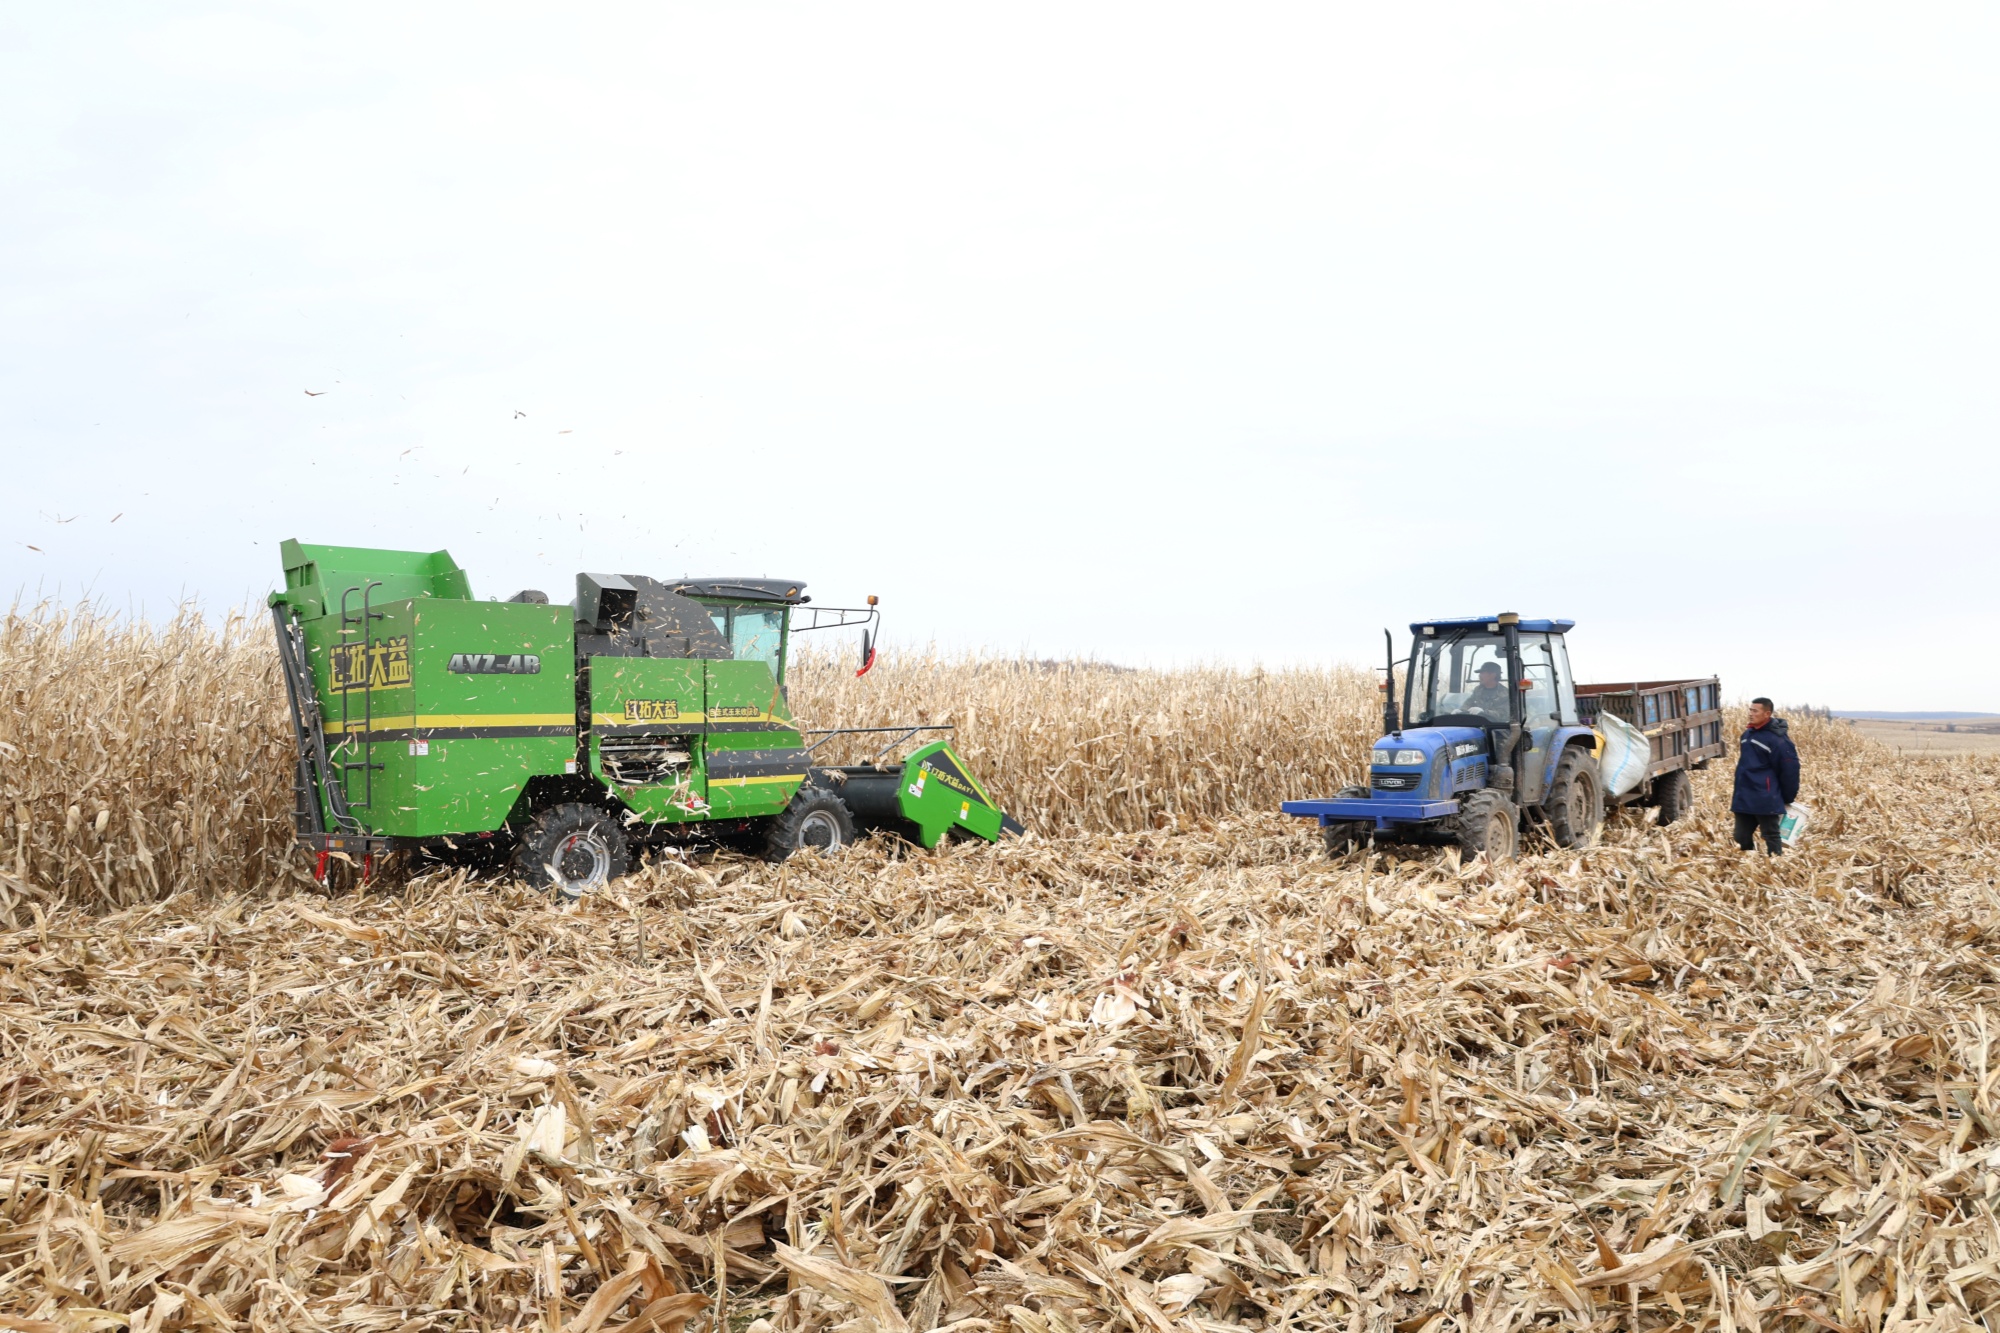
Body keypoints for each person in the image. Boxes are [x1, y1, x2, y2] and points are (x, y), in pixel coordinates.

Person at [1732, 697, 1799, 854]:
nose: (1750, 714)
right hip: (1744, 794)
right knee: (1740, 836)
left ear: (1767, 714)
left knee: (1771, 834)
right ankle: (1750, 864)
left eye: (1755, 711)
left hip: (1765, 796)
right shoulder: (1747, 735)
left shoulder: (1778, 740)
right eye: (1750, 710)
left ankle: (1775, 866)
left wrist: (1788, 797)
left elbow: (1790, 771)